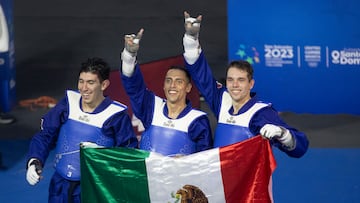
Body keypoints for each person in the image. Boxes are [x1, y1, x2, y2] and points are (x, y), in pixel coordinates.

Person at [182, 11, 309, 158]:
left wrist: (282, 133)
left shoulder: (261, 113)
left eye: (241, 80)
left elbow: (300, 148)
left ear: (251, 84)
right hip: (220, 179)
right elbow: (201, 75)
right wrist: (191, 40)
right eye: (230, 80)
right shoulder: (222, 100)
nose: (235, 85)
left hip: (249, 181)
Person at [25, 57, 138, 203]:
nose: (84, 88)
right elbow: (45, 135)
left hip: (94, 189)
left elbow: (129, 156)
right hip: (60, 186)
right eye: (81, 81)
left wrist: (102, 155)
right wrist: (34, 161)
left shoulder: (116, 115)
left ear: (104, 84)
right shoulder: (68, 104)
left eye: (90, 82)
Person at [120, 29, 213, 157]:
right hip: (147, 176)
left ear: (188, 87)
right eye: (168, 81)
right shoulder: (152, 107)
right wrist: (129, 56)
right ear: (163, 86)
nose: (172, 85)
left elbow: (204, 160)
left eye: (179, 81)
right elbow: (134, 88)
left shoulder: (198, 121)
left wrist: (187, 161)